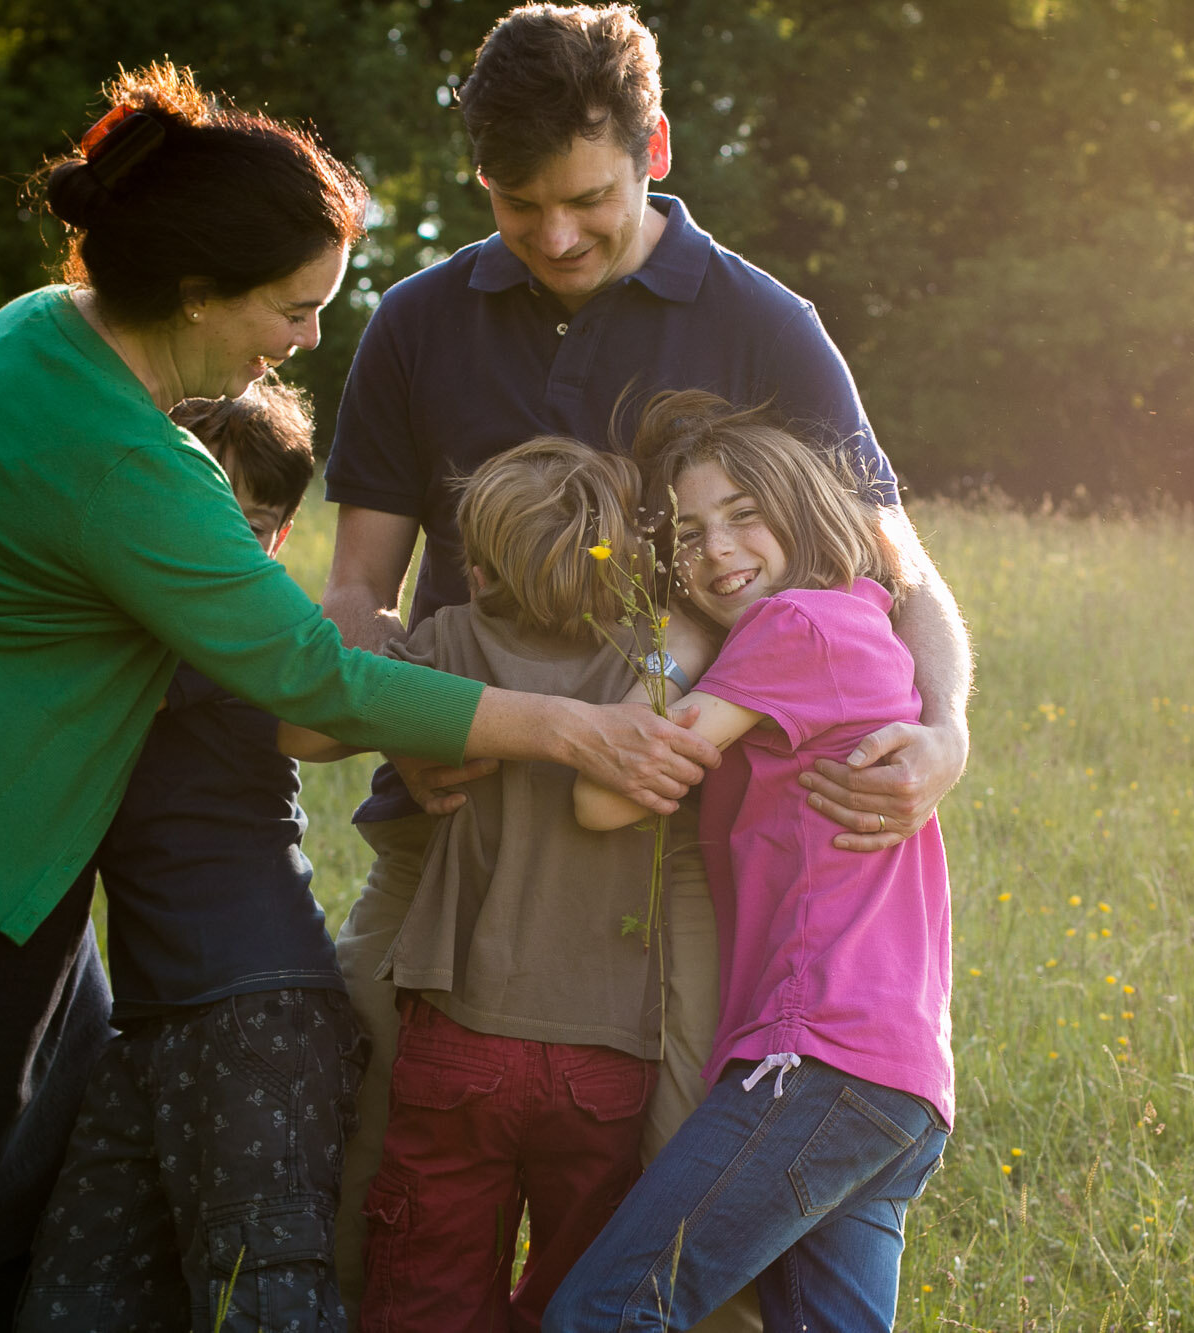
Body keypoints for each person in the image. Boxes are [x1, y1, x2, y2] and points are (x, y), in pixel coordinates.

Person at [0, 62, 714, 1333]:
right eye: (292, 308)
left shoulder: (36, 333)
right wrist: (564, 724)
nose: (302, 341)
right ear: (196, 294)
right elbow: (303, 678)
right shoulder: (135, 463)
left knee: (43, 1186)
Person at [318, 5, 972, 1320]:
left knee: (674, 1224)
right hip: (454, 839)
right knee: (373, 1183)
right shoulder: (419, 321)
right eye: (517, 207)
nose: (555, 239)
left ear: (654, 146)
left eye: (588, 200)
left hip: (676, 862)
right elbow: (351, 593)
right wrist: (406, 719)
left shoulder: (765, 323)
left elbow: (906, 578)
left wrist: (947, 730)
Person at [556, 390, 954, 1330]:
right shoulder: (863, 625)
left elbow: (605, 792)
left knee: (606, 1312)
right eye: (688, 536)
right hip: (897, 1086)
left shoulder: (794, 629)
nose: (718, 551)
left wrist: (679, 645)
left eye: (744, 514)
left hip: (816, 1057)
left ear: (806, 508)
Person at [12, 385, 363, 1333]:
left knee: (268, 1301)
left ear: (277, 538)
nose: (216, 545)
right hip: (150, 1020)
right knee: (73, 1299)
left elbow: (34, 663)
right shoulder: (128, 620)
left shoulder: (240, 630)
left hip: (259, 1011)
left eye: (246, 524)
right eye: (194, 514)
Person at [355, 438, 695, 1332]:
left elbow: (356, 700)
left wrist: (388, 646)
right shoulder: (655, 670)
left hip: (459, 1030)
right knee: (582, 1286)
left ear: (478, 562)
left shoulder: (447, 643)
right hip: (611, 1048)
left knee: (428, 1276)